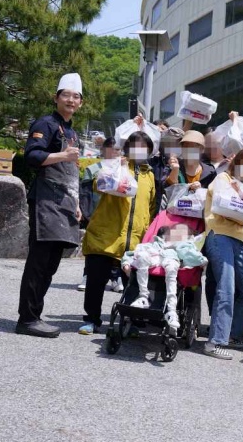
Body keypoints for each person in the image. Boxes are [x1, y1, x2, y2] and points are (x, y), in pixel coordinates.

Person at [15, 73, 84, 338]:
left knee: (52, 263)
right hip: (45, 201)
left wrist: (76, 203)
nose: (71, 100)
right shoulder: (46, 123)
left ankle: (35, 315)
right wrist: (63, 154)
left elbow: (71, 172)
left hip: (64, 202)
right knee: (38, 261)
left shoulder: (73, 132)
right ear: (56, 98)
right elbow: (31, 156)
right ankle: (27, 318)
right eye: (66, 95)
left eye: (76, 96)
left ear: (81, 102)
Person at [80, 131, 157, 334]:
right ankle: (92, 319)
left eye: (144, 148)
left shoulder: (150, 175)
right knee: (96, 280)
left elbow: (150, 207)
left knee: (132, 284)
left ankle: (130, 322)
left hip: (134, 241)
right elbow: (99, 185)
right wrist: (117, 168)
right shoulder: (115, 164)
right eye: (135, 146)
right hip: (106, 235)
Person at [202, 162, 243, 359]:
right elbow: (222, 204)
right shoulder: (222, 178)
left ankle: (231, 334)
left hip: (240, 239)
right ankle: (215, 342)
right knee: (226, 287)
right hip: (219, 235)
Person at [121, 223, 207, 330]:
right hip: (155, 256)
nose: (177, 233)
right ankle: (143, 297)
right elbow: (135, 252)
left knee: (171, 267)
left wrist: (202, 260)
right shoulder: (156, 243)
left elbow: (191, 255)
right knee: (142, 256)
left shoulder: (184, 246)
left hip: (171, 259)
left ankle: (171, 310)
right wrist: (126, 262)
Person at [77, 137, 118, 292]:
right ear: (103, 150)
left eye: (117, 149)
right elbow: (85, 194)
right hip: (96, 215)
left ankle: (115, 277)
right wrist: (87, 215)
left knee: (115, 248)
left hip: (116, 215)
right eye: (111, 148)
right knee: (93, 249)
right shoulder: (93, 169)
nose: (114, 152)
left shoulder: (123, 170)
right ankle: (87, 276)